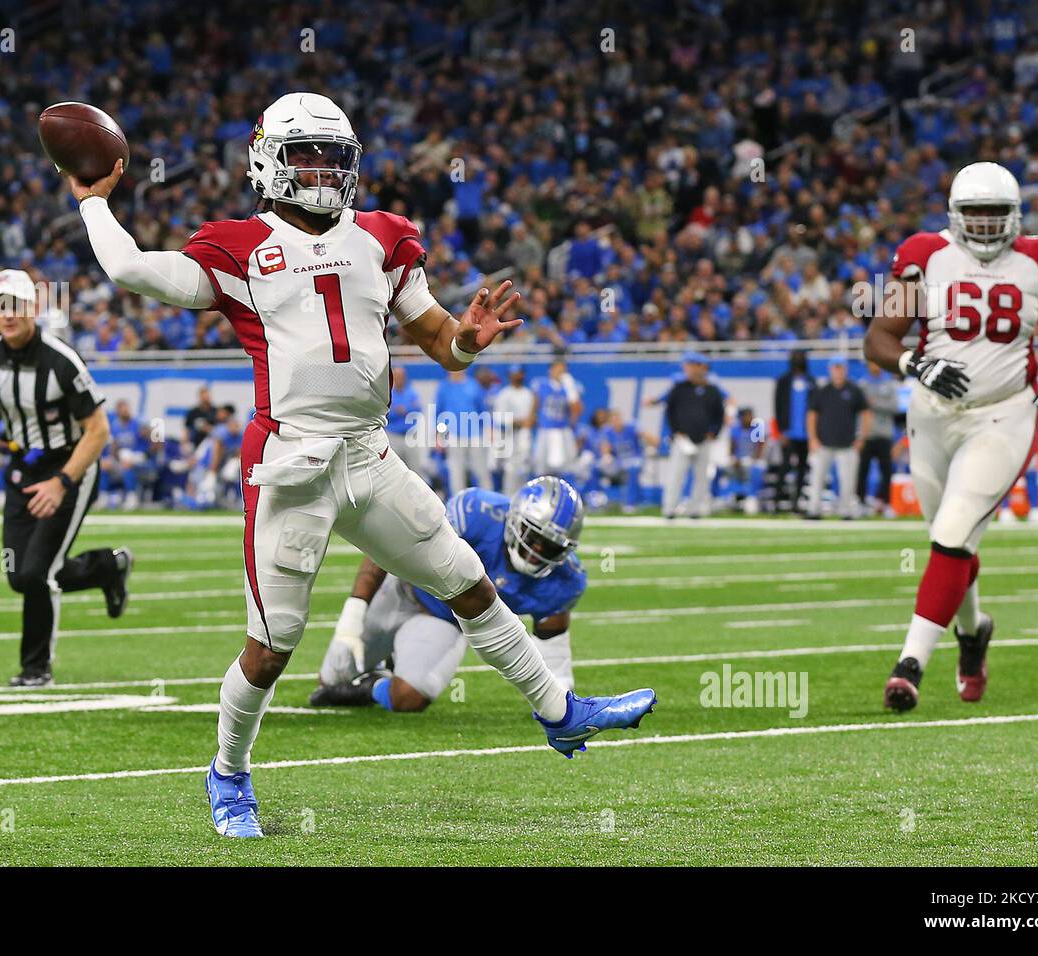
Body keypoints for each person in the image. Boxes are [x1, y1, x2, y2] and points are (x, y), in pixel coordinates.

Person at [68, 91, 654, 839]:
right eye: (306, 154)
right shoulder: (238, 244)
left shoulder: (383, 235)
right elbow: (132, 271)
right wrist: (92, 202)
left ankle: (559, 711)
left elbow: (443, 345)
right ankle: (228, 773)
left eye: (333, 156)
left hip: (370, 454)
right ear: (269, 160)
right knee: (273, 645)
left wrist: (469, 338)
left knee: (468, 583)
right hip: (291, 464)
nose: (321, 169)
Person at [865, 161, 1038, 711]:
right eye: (976, 212)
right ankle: (974, 633)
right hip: (932, 414)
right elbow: (879, 336)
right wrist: (914, 365)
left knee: (952, 529)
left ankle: (909, 666)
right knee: (952, 541)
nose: (987, 224)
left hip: (1004, 414)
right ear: (954, 214)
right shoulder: (924, 254)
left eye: (996, 213)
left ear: (1015, 215)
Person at [0, 269, 135, 687]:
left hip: (70, 469)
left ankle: (35, 668)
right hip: (22, 471)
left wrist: (62, 481)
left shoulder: (61, 361)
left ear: (32, 308)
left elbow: (98, 431)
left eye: (16, 305)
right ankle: (107, 567)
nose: (8, 314)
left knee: (37, 574)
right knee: (20, 575)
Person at [312, 477, 585, 710]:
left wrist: (560, 702)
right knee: (331, 680)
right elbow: (388, 542)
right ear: (513, 518)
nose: (536, 551)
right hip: (402, 588)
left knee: (408, 697)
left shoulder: (565, 580)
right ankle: (387, 658)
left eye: (550, 547)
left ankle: (373, 684)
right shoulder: (476, 513)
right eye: (532, 535)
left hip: (445, 619)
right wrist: (353, 615)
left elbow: (555, 654)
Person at [651, 351, 725, 518]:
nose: (687, 369)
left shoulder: (712, 390)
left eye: (691, 365)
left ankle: (695, 509)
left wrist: (714, 433)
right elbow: (669, 411)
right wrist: (677, 431)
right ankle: (669, 508)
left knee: (701, 477)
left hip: (704, 440)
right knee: (676, 474)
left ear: (701, 367)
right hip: (682, 439)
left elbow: (719, 415)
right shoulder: (679, 388)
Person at [805, 359, 871, 519]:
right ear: (830, 370)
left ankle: (846, 510)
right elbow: (812, 415)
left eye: (840, 368)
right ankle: (814, 510)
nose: (838, 372)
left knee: (847, 481)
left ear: (845, 370)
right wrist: (812, 438)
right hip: (824, 443)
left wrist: (862, 437)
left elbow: (866, 414)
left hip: (847, 443)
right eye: (835, 368)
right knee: (817, 478)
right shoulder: (823, 390)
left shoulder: (854, 390)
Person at [434, 368, 490, 494]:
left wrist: (488, 428)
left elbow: (483, 410)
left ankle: (488, 502)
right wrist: (438, 436)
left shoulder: (473, 385)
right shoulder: (444, 387)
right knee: (456, 472)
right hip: (453, 434)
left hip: (474, 433)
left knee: (481, 470)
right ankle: (457, 504)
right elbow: (439, 414)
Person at [772, 349, 815, 512]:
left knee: (802, 469)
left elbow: (815, 409)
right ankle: (777, 501)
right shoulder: (783, 381)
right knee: (784, 467)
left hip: (805, 434)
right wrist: (781, 431)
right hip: (788, 433)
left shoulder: (810, 381)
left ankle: (796, 502)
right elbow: (777, 407)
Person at [857, 360, 900, 517]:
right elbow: (859, 408)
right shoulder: (862, 384)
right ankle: (861, 502)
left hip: (884, 434)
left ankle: (885, 503)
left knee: (886, 470)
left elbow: (895, 406)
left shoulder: (889, 383)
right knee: (863, 470)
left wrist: (875, 403)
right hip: (867, 435)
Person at [530, 358, 583, 482]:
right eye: (558, 369)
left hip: (563, 429)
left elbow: (577, 410)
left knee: (567, 465)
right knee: (541, 464)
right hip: (545, 429)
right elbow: (534, 406)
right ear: (551, 370)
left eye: (563, 370)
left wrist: (571, 390)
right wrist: (534, 422)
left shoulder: (570, 386)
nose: (560, 372)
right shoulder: (542, 384)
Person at [491, 364, 534, 495]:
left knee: (525, 467)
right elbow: (498, 417)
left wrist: (529, 421)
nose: (517, 376)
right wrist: (516, 421)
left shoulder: (528, 393)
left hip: (524, 434)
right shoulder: (505, 394)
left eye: (519, 373)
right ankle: (508, 497)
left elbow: (532, 415)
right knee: (509, 467)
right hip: (508, 434)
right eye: (514, 374)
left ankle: (523, 496)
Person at [385, 366, 428, 478]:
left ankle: (417, 495)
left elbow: (417, 410)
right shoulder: (388, 394)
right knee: (392, 470)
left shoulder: (411, 392)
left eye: (401, 376)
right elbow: (385, 413)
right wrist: (400, 411)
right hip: (393, 436)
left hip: (409, 436)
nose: (399, 379)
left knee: (415, 470)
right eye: (397, 376)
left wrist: (404, 410)